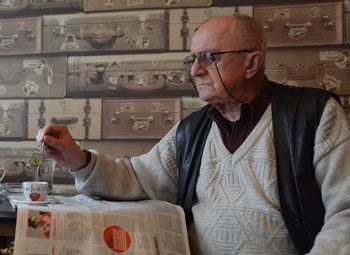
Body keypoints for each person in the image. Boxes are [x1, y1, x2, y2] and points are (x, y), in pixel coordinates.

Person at [36, 14, 350, 255]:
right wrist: (78, 158)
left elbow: (345, 212)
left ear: (252, 63)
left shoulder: (313, 114)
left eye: (208, 58)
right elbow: (137, 177)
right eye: (193, 59)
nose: (195, 70)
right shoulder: (194, 129)